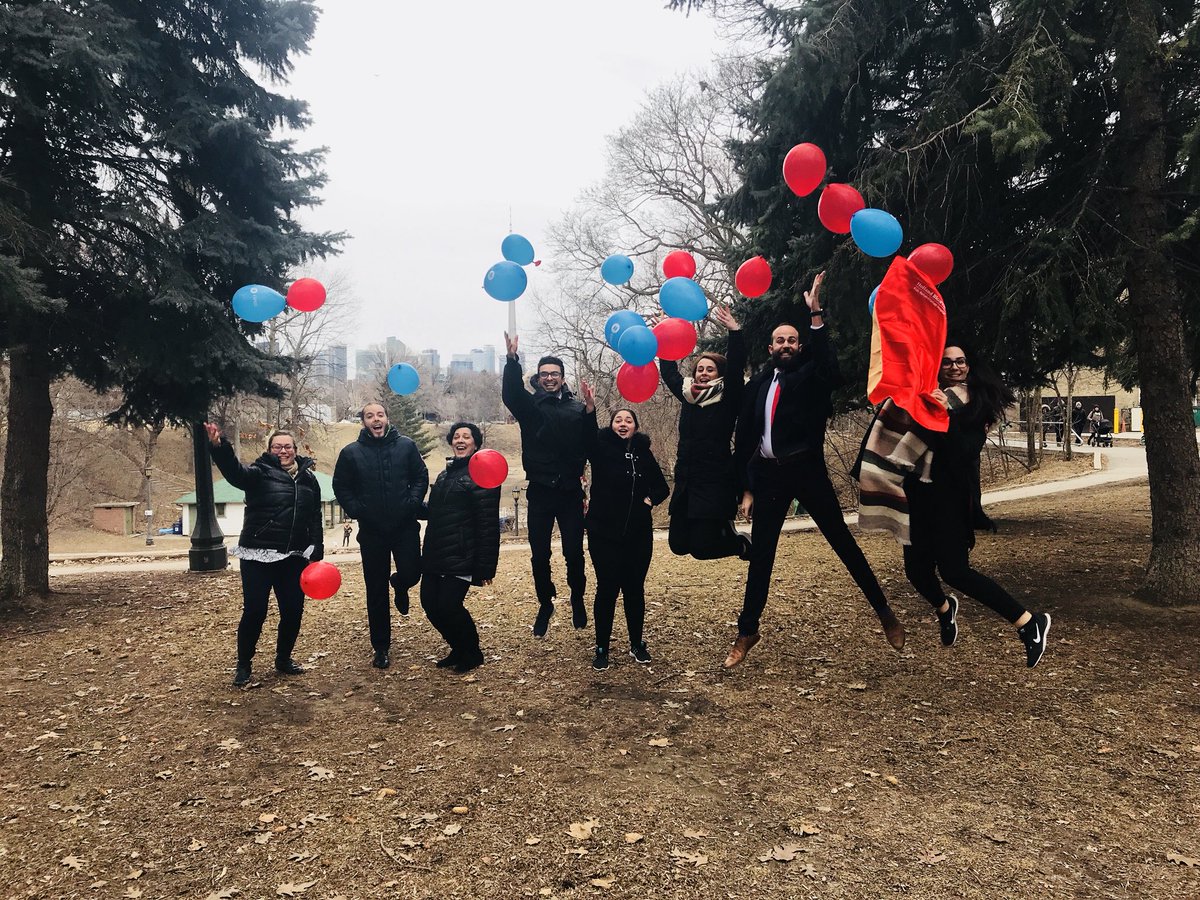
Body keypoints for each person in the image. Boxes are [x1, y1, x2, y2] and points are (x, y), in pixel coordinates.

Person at [726, 272, 905, 668]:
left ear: (799, 344)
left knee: (843, 542)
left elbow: (829, 367)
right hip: (769, 477)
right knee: (762, 557)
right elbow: (745, 436)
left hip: (806, 471)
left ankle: (884, 612)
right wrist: (746, 488)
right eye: (780, 341)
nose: (786, 345)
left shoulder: (810, 375)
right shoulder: (759, 384)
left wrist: (816, 314)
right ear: (770, 347)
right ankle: (747, 630)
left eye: (792, 340)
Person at [903, 345, 1052, 667]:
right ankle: (945, 609)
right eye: (947, 362)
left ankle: (1029, 623)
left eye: (960, 361)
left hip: (952, 499)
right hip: (918, 496)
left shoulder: (977, 405)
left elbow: (964, 452)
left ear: (969, 366)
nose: (954, 367)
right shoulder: (927, 396)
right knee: (915, 571)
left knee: (955, 572)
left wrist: (944, 414)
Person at [204, 423, 324, 687]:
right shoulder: (259, 473)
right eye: (277, 447)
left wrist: (317, 546)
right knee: (255, 611)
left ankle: (283, 659)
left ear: (295, 450)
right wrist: (219, 447)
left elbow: (314, 515)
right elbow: (235, 473)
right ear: (270, 450)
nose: (283, 451)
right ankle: (243, 665)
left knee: (293, 611)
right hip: (258, 555)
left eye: (288, 446)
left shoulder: (309, 479)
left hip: (293, 556)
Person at [502, 332, 595, 636]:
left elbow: (591, 444)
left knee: (574, 552)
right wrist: (512, 361)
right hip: (540, 490)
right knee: (539, 554)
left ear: (563, 378)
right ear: (539, 378)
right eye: (544, 374)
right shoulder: (530, 407)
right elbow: (511, 394)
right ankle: (546, 602)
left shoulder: (577, 408)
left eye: (554, 373)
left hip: (569, 492)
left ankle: (577, 597)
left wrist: (591, 412)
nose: (549, 378)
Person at [333, 401, 429, 670]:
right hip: (372, 531)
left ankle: (400, 584)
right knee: (375, 589)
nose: (376, 419)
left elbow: (420, 476)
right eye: (369, 416)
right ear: (363, 422)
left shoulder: (406, 446)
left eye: (380, 415)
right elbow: (341, 486)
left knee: (413, 573)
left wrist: (412, 502)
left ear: (387, 418)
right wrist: (357, 509)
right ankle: (381, 647)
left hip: (404, 526)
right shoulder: (351, 453)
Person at [581, 401, 671, 670]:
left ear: (635, 427)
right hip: (603, 533)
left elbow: (662, 487)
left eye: (628, 420)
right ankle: (601, 648)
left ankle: (637, 644)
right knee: (607, 589)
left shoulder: (643, 452)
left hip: (638, 535)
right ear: (611, 425)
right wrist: (589, 410)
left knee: (634, 589)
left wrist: (649, 501)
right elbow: (587, 438)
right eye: (618, 420)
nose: (623, 424)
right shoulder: (600, 448)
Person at [658, 305, 752, 561]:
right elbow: (669, 373)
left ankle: (741, 545)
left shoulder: (728, 396)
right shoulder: (688, 395)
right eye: (700, 369)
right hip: (687, 481)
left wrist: (734, 332)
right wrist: (664, 336)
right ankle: (726, 532)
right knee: (678, 545)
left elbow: (736, 367)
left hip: (714, 481)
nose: (703, 373)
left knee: (701, 549)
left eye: (710, 369)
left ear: (719, 374)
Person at [419, 422, 500, 674]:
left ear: (476, 443)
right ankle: (457, 647)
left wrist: (485, 567)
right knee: (430, 604)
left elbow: (487, 524)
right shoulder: (445, 475)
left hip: (462, 554)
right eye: (456, 436)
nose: (461, 440)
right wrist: (409, 504)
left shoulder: (483, 474)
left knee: (449, 606)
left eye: (467, 436)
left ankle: (472, 653)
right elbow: (434, 511)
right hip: (435, 553)